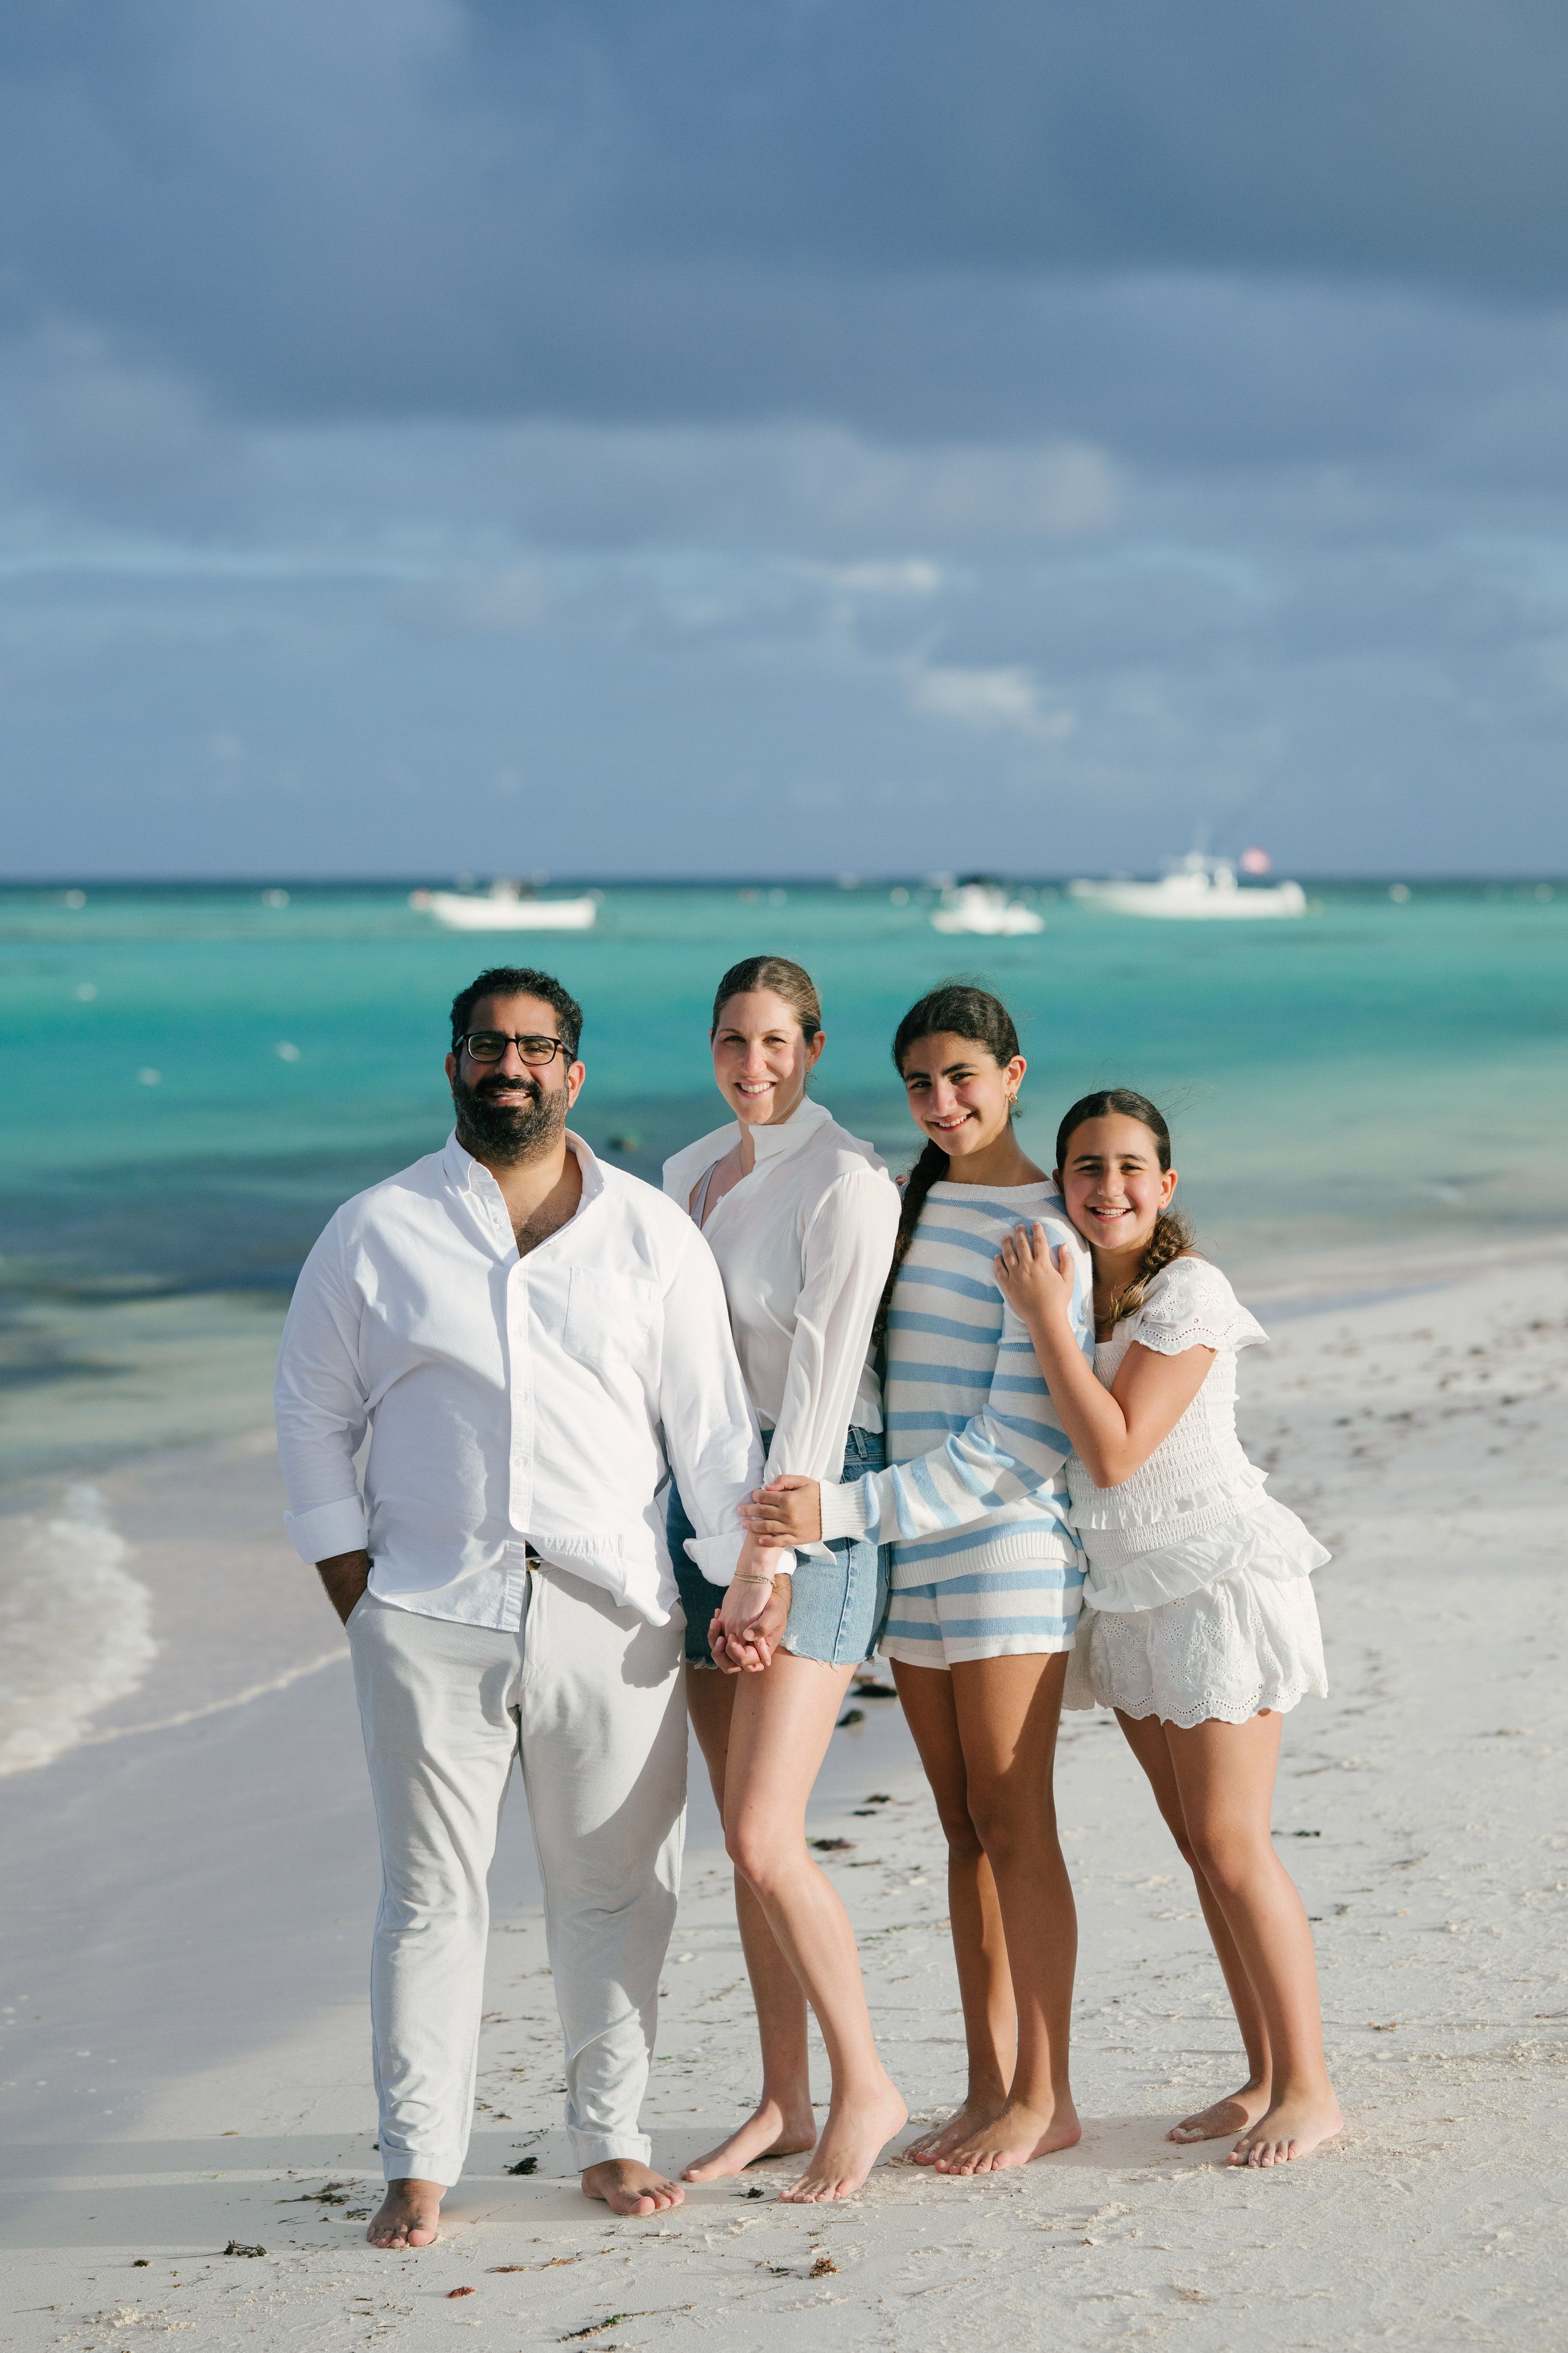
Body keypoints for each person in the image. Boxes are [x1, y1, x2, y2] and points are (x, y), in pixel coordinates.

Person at [273, 964, 788, 2248]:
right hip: (427, 1611)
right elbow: (310, 1415)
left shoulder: (647, 1232)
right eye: (487, 1044)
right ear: (453, 1061)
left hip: (611, 1612)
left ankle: (611, 2139)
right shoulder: (373, 1227)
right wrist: (360, 1590)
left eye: (536, 1046)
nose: (511, 1065)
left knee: (618, 1888)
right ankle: (418, 2162)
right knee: (428, 1897)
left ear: (574, 1070)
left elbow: (713, 1433)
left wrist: (743, 1582)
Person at [741, 984, 1092, 2177]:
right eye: (918, 1084)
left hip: (1002, 1556)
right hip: (911, 1561)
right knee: (958, 1832)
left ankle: (1047, 2095)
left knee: (1014, 1823)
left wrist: (840, 1509)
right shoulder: (913, 1199)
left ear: (1012, 1074)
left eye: (962, 1078)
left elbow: (1017, 1445)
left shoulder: (1048, 1226)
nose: (941, 1103)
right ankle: (989, 2083)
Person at [993, 1087, 1341, 2168]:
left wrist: (1045, 1319)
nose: (1109, 1187)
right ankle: (1263, 2074)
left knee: (1236, 1846)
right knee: (1199, 1849)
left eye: (1130, 1166)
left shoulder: (1187, 1290)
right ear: (1063, 1183)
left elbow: (1116, 1452)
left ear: (1166, 1183)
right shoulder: (1083, 1296)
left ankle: (1314, 2088)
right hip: (1127, 1593)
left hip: (1215, 1578)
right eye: (1087, 1168)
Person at [662, 956, 904, 2200]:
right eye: (731, 1042)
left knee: (764, 1835)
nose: (752, 1066)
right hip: (701, 1509)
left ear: (812, 1044)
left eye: (774, 1042)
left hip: (806, 1506)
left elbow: (817, 1389)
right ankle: (782, 2096)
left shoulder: (847, 1182)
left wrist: (766, 1565)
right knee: (736, 1830)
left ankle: (864, 2084)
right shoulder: (684, 1174)